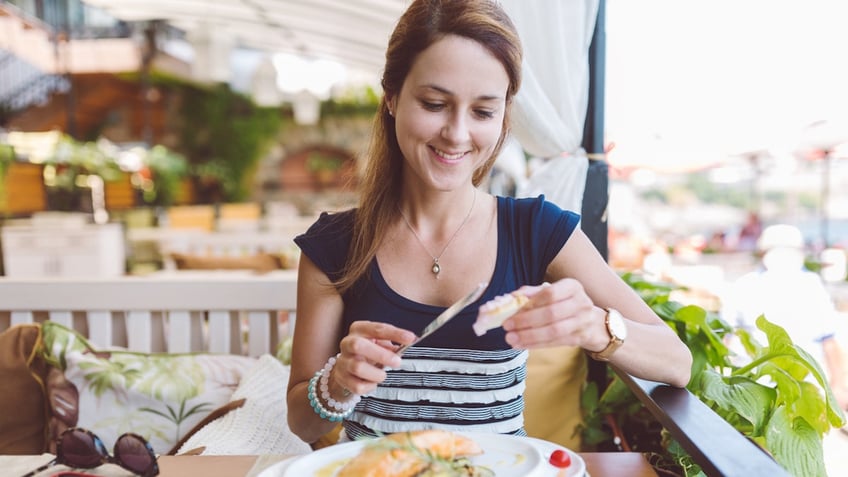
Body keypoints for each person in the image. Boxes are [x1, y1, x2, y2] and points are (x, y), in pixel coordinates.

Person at [286, 0, 692, 446]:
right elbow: (303, 423)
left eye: (483, 112)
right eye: (435, 103)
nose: (457, 134)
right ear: (392, 96)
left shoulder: (536, 230)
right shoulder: (335, 245)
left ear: (503, 115)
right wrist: (337, 383)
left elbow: (676, 362)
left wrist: (594, 327)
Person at [722, 224, 848, 409]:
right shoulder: (811, 284)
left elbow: (724, 337)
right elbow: (829, 341)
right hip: (799, 390)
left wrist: (839, 386)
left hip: (755, 391)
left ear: (763, 251)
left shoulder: (746, 284)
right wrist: (838, 386)